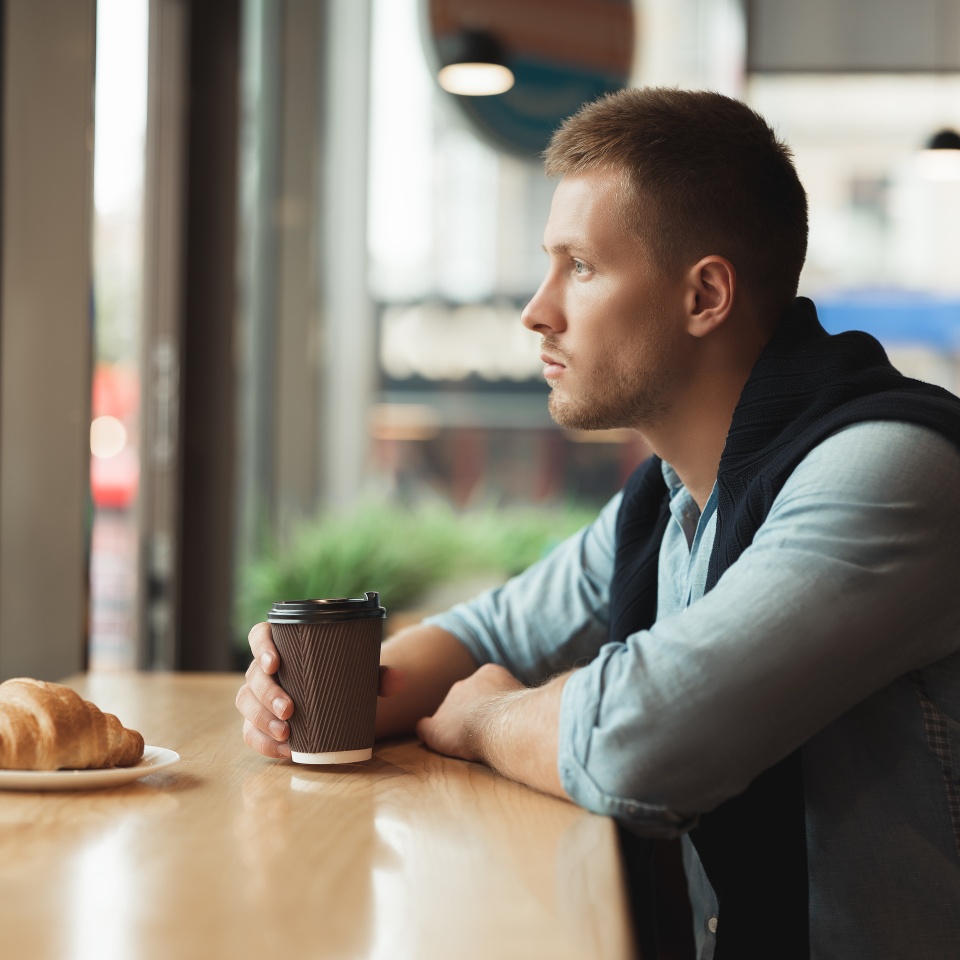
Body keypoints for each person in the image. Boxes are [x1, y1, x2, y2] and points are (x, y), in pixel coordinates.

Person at [236, 88, 960, 959]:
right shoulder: (669, 499)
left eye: (580, 266)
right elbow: (490, 631)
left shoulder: (892, 473)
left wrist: (488, 719)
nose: (537, 310)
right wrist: (305, 693)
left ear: (705, 296)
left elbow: (643, 739)